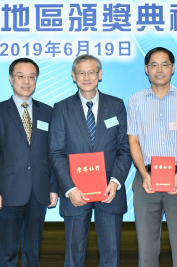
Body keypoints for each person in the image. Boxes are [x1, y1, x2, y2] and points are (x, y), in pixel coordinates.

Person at [49, 54, 132, 267]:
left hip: (109, 191)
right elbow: (56, 152)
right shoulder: (61, 108)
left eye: (92, 72)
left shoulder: (116, 105)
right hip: (76, 192)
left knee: (111, 252)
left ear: (100, 75)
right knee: (74, 252)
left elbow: (124, 148)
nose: (87, 77)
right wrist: (69, 189)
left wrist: (115, 181)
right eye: (81, 73)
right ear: (73, 76)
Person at [127, 47, 177, 267]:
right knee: (146, 248)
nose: (159, 70)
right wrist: (143, 174)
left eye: (164, 64)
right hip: (146, 179)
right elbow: (133, 141)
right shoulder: (135, 100)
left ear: (172, 68)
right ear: (146, 69)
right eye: (154, 65)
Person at [0, 58, 59, 267]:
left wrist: (53, 187)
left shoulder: (48, 112)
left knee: (32, 251)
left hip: (39, 190)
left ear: (36, 80)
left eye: (31, 77)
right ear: (11, 79)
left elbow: (53, 153)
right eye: (20, 76)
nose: (26, 81)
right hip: (7, 191)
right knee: (8, 251)